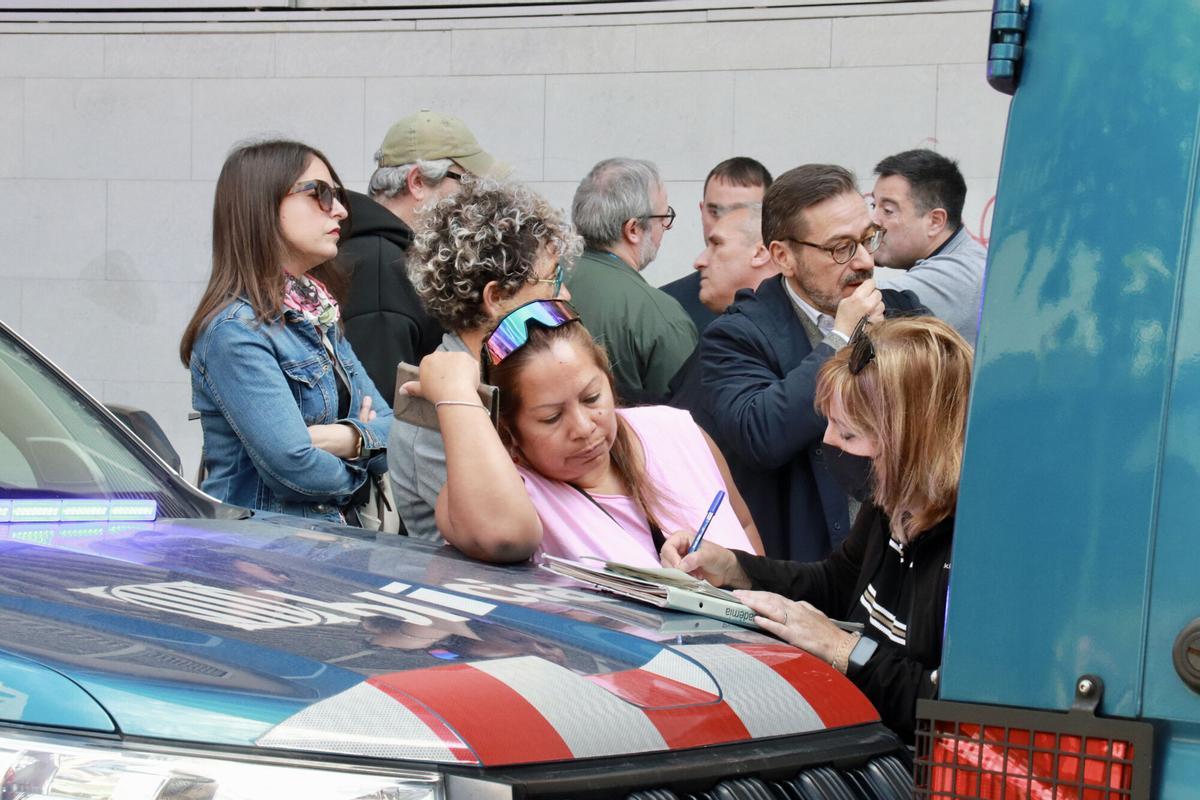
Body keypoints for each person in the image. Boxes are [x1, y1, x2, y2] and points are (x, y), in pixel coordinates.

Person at [664, 316, 971, 743]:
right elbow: (839, 581)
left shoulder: (975, 546)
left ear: (911, 440)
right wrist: (735, 569)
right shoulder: (890, 505)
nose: (829, 441)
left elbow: (949, 710)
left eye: (848, 432)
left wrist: (843, 650)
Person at [405, 299, 764, 566]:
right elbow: (502, 535)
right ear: (509, 431)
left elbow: (745, 529)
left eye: (592, 397)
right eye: (551, 417)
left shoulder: (674, 429)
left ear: (609, 381)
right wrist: (456, 395)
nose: (583, 427)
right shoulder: (509, 489)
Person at [700, 164, 927, 562]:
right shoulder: (737, 335)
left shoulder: (903, 314)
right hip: (808, 570)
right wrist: (840, 341)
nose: (864, 262)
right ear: (783, 256)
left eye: (868, 239)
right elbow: (761, 433)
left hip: (900, 561)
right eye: (840, 248)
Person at [180, 139, 391, 523]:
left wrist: (348, 439)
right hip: (261, 562)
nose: (341, 210)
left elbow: (394, 427)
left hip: (328, 546)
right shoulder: (235, 332)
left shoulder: (316, 313)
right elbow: (294, 469)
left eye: (337, 195)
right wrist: (364, 458)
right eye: (321, 194)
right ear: (264, 205)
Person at [388, 179, 580, 541]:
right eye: (553, 279)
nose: (565, 294)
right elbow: (505, 530)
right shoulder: (432, 411)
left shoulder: (508, 371)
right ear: (497, 297)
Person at [338, 109, 510, 401]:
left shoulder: (387, 253)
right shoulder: (381, 266)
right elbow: (382, 409)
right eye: (468, 183)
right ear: (417, 181)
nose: (476, 199)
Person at [565, 158, 697, 402]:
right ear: (633, 229)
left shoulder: (537, 278)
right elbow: (685, 421)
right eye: (663, 217)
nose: (665, 228)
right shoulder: (661, 316)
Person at [869, 149, 987, 345]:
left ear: (935, 221)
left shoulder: (957, 274)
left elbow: (855, 309)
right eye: (874, 206)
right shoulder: (965, 258)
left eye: (888, 210)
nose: (873, 220)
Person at [661, 157, 773, 333]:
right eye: (714, 211)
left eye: (740, 211)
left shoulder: (805, 301)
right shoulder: (667, 306)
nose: (724, 221)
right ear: (701, 210)